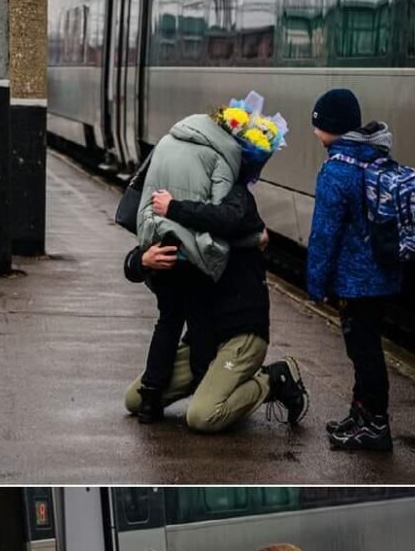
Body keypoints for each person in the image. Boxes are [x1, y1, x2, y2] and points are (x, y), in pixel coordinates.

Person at [123, 167, 308, 431]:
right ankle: (216, 382)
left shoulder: (234, 204)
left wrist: (174, 207)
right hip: (203, 340)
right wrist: (142, 260)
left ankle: (273, 380)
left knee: (202, 417)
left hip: (241, 334)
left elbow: (229, 220)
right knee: (135, 400)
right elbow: (131, 263)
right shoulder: (184, 205)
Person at [307, 88, 401, 452]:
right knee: (365, 350)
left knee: (364, 353)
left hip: (356, 283)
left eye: (317, 125)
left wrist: (316, 285)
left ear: (331, 128)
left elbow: (324, 235)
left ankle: (376, 425)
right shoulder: (374, 158)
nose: (315, 133)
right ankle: (360, 415)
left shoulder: (337, 170)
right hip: (380, 277)